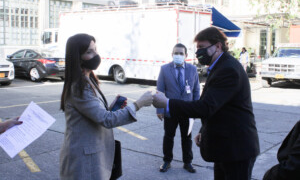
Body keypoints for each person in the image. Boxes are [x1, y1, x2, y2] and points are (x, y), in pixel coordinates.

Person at [153, 27, 260, 180]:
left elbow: (205, 107)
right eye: (197, 48)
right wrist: (204, 130)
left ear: (218, 46)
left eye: (202, 47)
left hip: (236, 149)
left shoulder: (228, 69)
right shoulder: (219, 66)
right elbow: (216, 105)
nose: (198, 53)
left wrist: (168, 103)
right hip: (226, 147)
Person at [59, 33, 153, 180]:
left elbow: (97, 115)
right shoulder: (79, 87)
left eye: (95, 50)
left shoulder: (88, 79)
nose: (96, 55)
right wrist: (138, 104)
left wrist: (111, 109)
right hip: (84, 160)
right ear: (78, 57)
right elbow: (106, 120)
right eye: (89, 52)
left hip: (92, 154)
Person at [156, 43, 200, 173]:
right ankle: (167, 161)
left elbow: (196, 90)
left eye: (181, 53)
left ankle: (188, 162)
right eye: (176, 53)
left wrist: (196, 108)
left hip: (187, 110)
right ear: (172, 54)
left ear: (186, 55)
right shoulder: (164, 69)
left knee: (187, 137)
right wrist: (159, 109)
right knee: (168, 136)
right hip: (170, 110)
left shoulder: (192, 69)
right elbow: (160, 90)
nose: (178, 55)